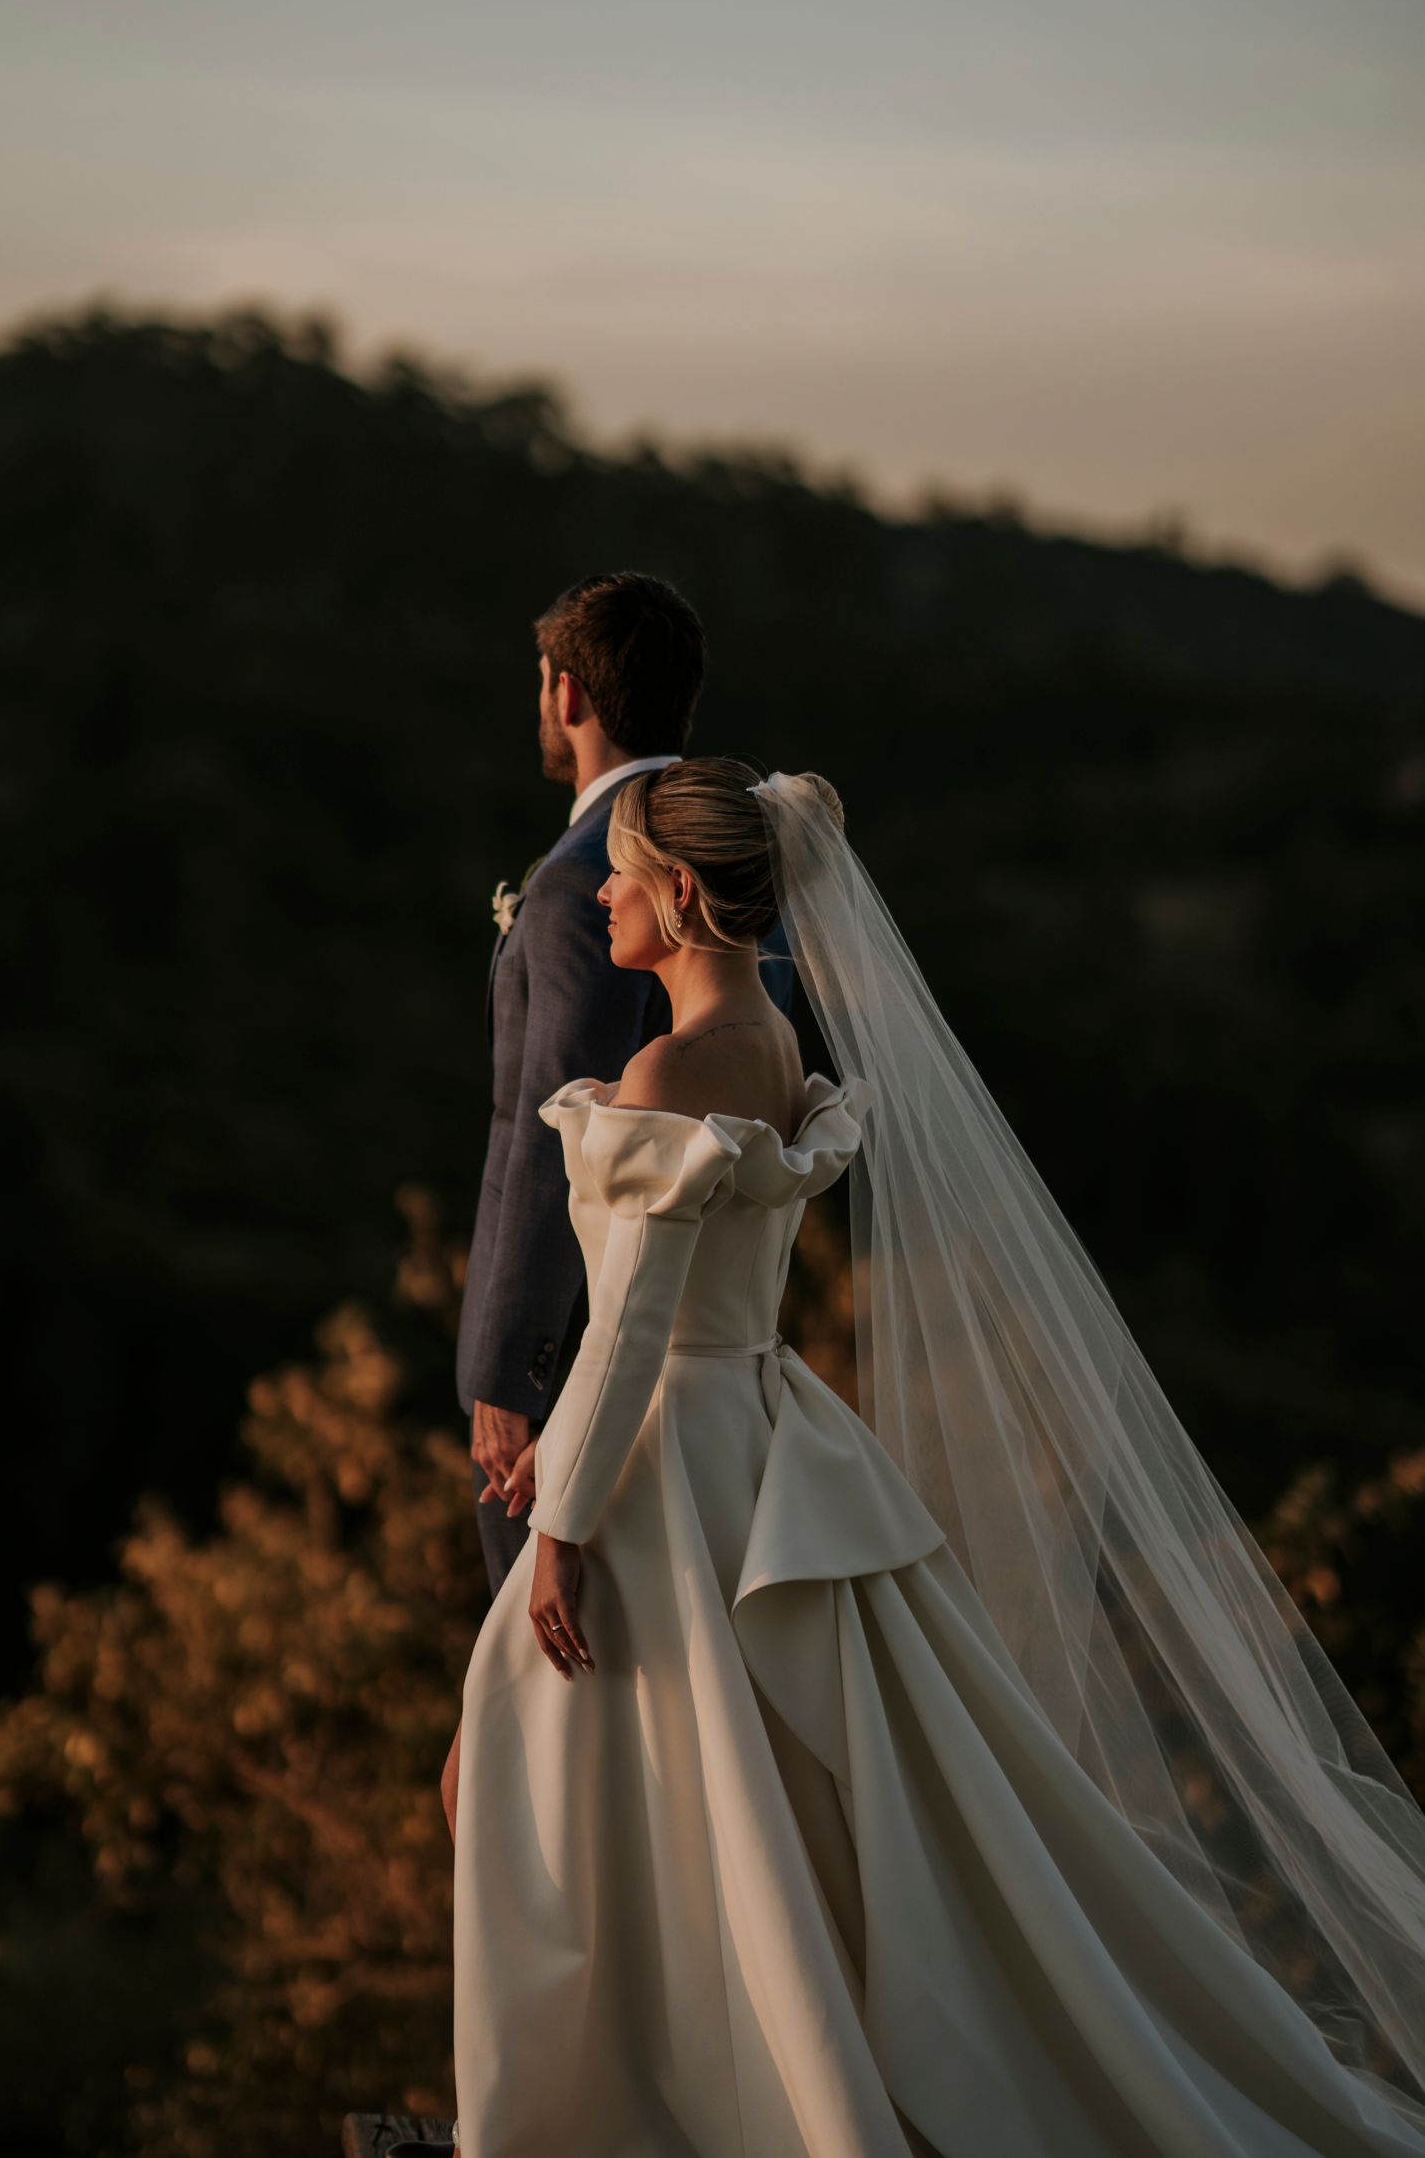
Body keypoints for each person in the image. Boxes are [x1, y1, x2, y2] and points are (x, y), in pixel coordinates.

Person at [433, 758, 1425, 2158]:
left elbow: (633, 1321)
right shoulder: (772, 1041)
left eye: (621, 871)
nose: (598, 891)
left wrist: (566, 1518)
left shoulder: (666, 1069)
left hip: (669, 1455)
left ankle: (625, 2107)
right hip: (755, 1431)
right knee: (757, 1791)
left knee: (576, 1769)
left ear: (678, 893)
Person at [456, 573, 792, 1601]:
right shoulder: (727, 856)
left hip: (591, 1369)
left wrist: (510, 1369)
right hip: (725, 1372)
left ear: (567, 693)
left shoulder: (584, 881)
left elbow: (542, 1138)